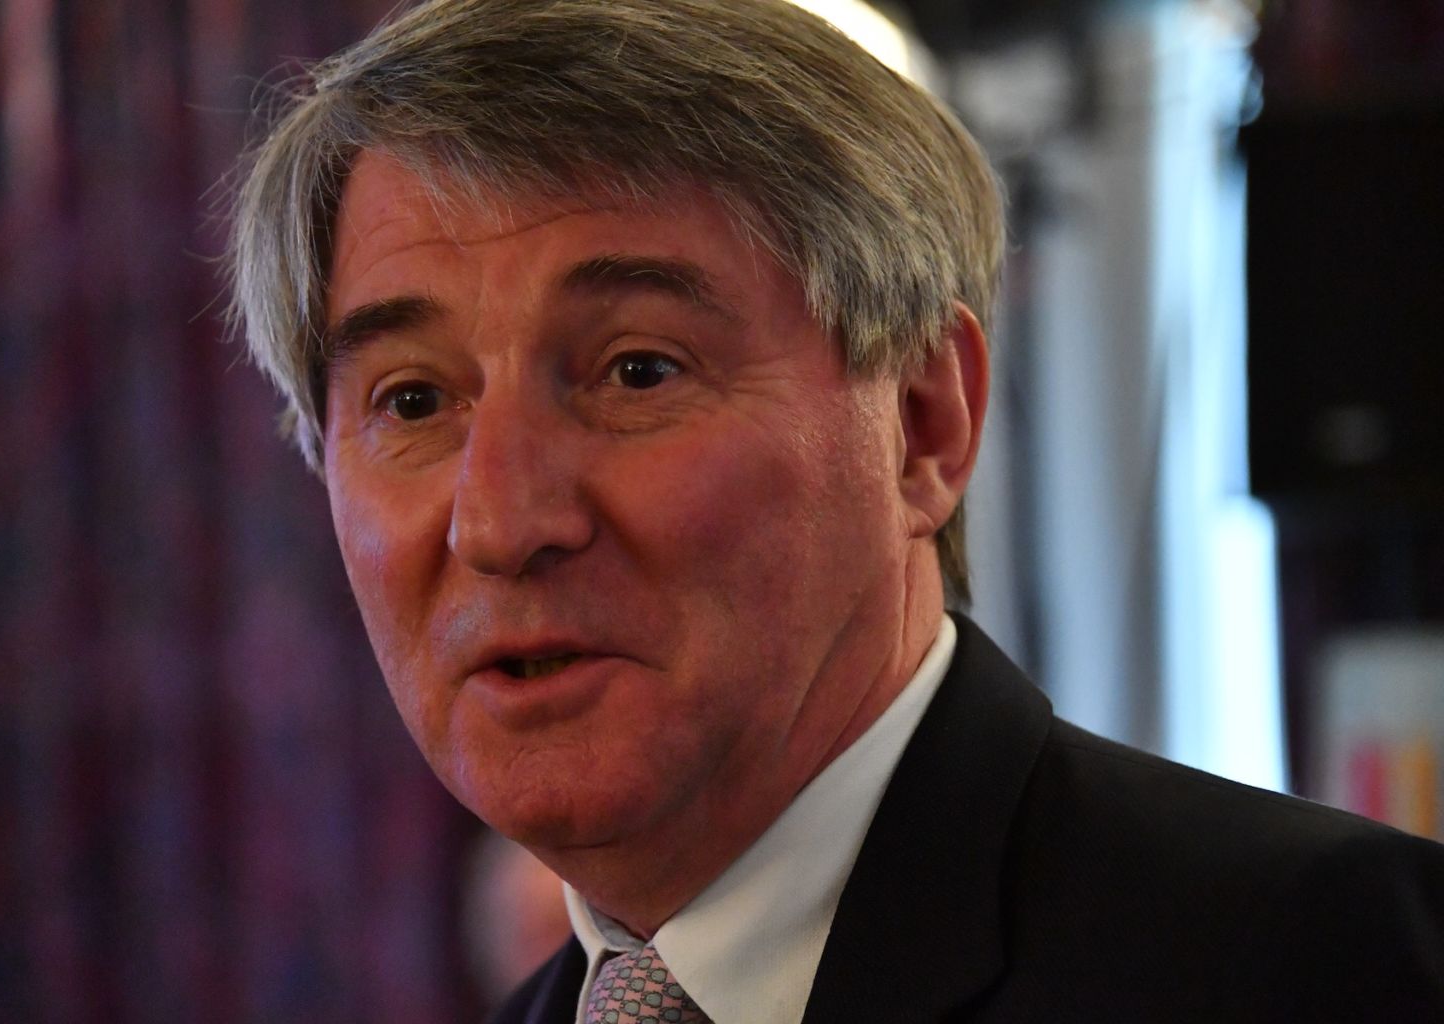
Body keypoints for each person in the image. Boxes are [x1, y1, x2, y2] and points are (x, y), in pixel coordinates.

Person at [227, 0, 1444, 1020]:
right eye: (413, 399)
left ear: (923, 421)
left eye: (636, 371)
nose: (498, 522)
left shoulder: (1309, 959)